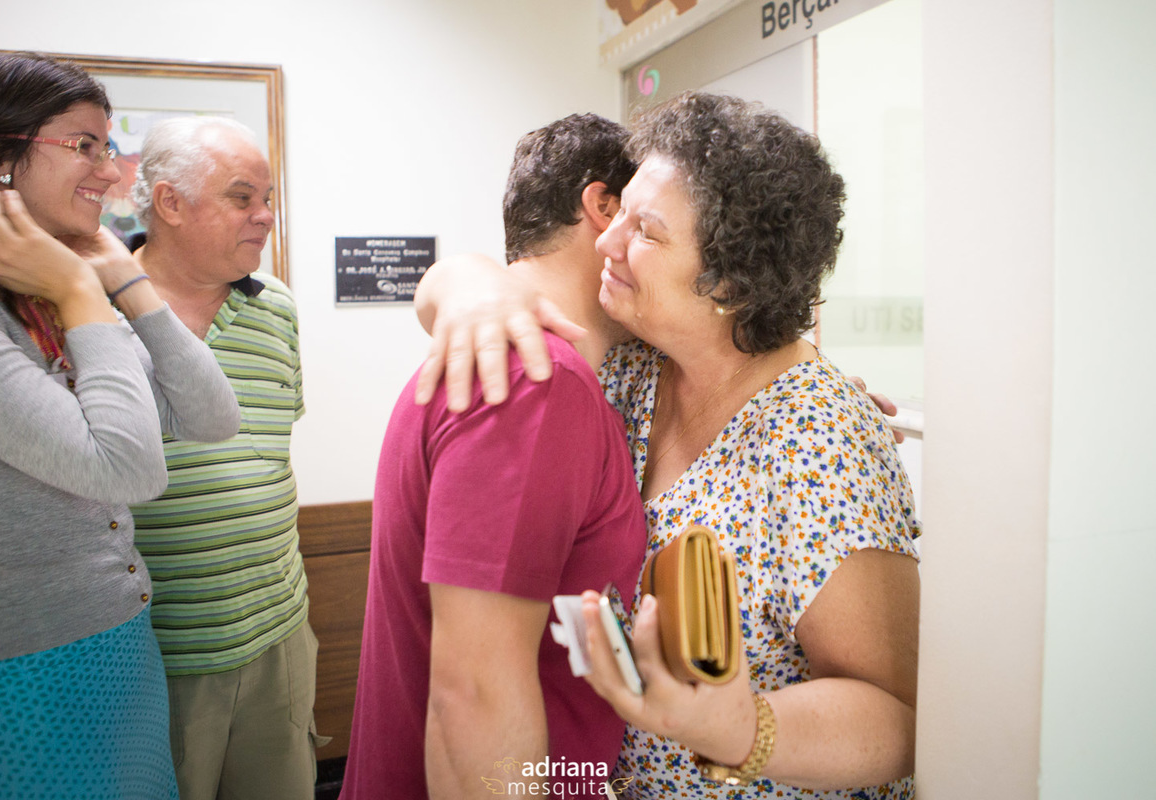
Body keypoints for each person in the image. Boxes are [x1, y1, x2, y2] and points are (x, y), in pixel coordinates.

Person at [416, 92, 922, 799]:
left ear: (729, 280)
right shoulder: (629, 369)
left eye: (645, 231)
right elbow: (488, 293)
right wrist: (464, 283)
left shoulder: (821, 438)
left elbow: (898, 717)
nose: (606, 240)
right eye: (618, 211)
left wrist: (743, 729)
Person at [339, 113, 648, 800]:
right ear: (604, 210)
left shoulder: (533, 363)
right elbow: (474, 699)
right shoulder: (536, 381)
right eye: (648, 223)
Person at [0, 52, 239, 798]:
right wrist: (83, 291)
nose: (111, 172)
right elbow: (129, 470)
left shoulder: (49, 298)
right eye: (83, 144)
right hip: (13, 672)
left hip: (116, 644)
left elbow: (213, 415)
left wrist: (121, 279)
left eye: (108, 146)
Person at [125, 116, 317, 800]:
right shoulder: (89, 315)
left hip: (279, 638)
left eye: (268, 197)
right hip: (157, 655)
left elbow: (271, 454)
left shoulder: (279, 311)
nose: (265, 216)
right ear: (170, 203)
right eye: (243, 197)